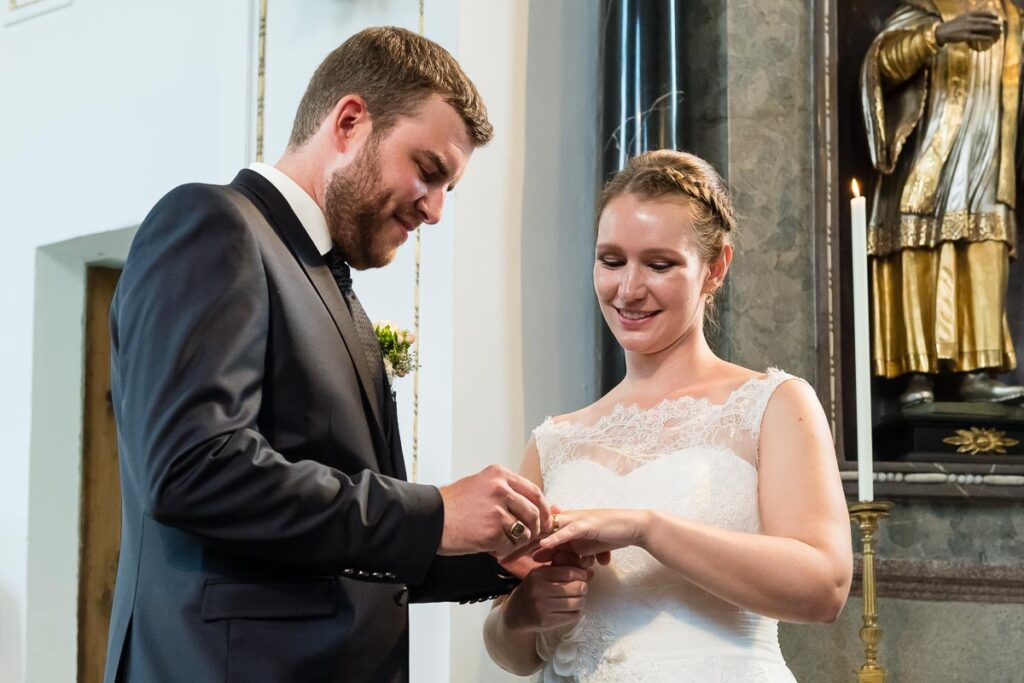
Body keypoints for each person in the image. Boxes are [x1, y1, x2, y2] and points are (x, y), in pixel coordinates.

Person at [104, 26, 553, 683]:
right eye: (427, 172)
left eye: (449, 189)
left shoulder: (334, 292)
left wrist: (498, 555)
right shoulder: (214, 224)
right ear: (349, 121)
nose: (434, 210)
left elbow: (344, 546)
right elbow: (192, 467)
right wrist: (434, 510)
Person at [483, 150, 853, 681]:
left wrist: (645, 528)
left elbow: (825, 588)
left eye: (660, 264)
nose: (628, 289)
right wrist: (522, 617)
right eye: (611, 260)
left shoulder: (773, 404)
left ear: (715, 268)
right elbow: (510, 652)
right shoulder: (554, 440)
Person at [861, 1, 1024, 405]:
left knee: (984, 249)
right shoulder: (930, 6)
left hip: (987, 163)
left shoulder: (1014, 17)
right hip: (928, 161)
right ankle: (917, 373)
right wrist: (938, 35)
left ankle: (977, 373)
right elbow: (881, 64)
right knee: (920, 250)